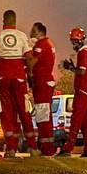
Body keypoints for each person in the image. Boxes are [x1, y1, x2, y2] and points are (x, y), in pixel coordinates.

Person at [0, 9, 37, 158]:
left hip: (2, 78)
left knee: (6, 112)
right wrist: (30, 74)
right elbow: (29, 58)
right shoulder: (22, 36)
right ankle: (33, 147)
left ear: (3, 21)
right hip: (19, 78)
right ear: (15, 21)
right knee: (24, 111)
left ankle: (10, 148)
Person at [58, 27, 87, 157]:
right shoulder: (85, 53)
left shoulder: (83, 53)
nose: (73, 44)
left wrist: (71, 68)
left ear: (80, 41)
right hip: (86, 91)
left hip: (82, 91)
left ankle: (68, 148)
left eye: (74, 41)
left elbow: (82, 71)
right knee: (85, 123)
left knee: (76, 119)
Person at [28, 22, 58, 156]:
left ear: (40, 32)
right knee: (45, 115)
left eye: (33, 30)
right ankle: (47, 145)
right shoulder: (49, 43)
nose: (31, 33)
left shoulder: (41, 45)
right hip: (46, 82)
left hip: (42, 84)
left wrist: (25, 59)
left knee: (42, 115)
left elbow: (32, 62)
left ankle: (46, 148)